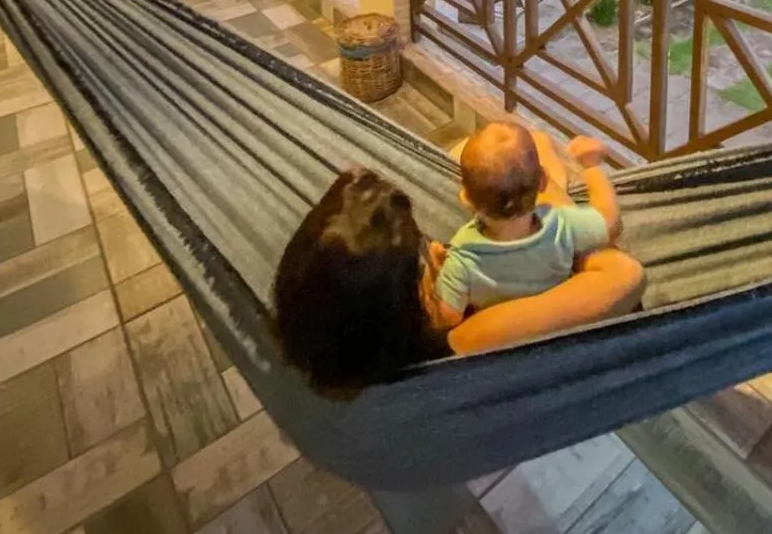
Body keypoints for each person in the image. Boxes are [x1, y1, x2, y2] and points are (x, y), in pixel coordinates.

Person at [273, 153, 644, 392]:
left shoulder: (318, 326)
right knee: (533, 156)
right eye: (421, 263)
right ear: (393, 308)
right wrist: (546, 224)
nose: (437, 250)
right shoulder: (468, 338)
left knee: (520, 154)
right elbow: (624, 276)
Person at [433, 120, 621, 326]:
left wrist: (438, 273)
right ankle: (544, 144)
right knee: (542, 141)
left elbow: (449, 316)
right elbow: (611, 223)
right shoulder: (562, 225)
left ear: (465, 198)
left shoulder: (461, 257)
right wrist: (591, 167)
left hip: (509, 335)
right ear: (542, 181)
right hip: (559, 321)